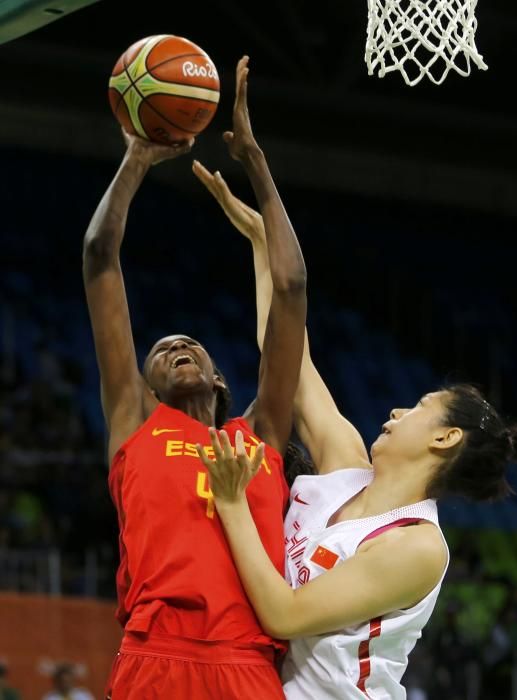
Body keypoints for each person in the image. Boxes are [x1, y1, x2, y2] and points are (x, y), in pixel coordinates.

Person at [193, 166, 517, 699]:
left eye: (420, 407)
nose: (396, 411)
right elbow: (291, 363)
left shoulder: (418, 548)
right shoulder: (344, 465)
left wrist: (231, 502)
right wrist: (263, 249)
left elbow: (284, 614)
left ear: (445, 438)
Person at [82, 57, 307, 699]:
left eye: (191, 344)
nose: (178, 344)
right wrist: (137, 159)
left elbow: (291, 288)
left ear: (217, 377)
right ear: (147, 384)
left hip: (247, 665)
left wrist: (257, 165)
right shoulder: (136, 421)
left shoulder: (259, 434)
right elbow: (99, 258)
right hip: (156, 658)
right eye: (162, 349)